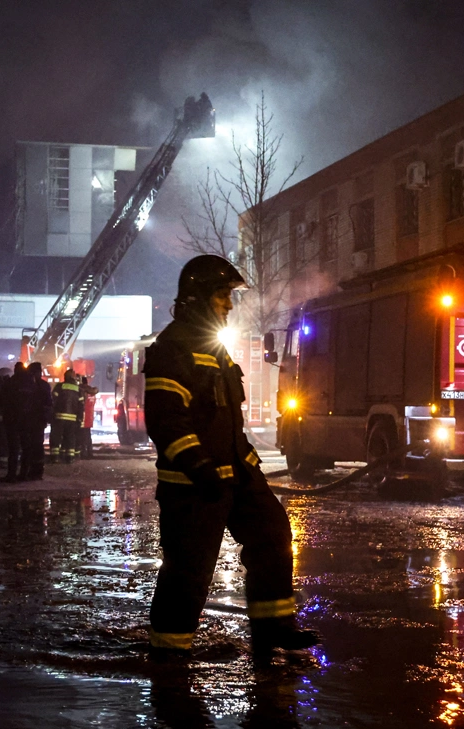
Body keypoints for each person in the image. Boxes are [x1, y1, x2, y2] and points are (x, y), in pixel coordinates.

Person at [144, 254, 319, 659]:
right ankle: (169, 655)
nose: (229, 303)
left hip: (237, 476)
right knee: (189, 569)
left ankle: (273, 628)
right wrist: (199, 467)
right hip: (193, 485)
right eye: (222, 295)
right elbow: (167, 421)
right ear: (198, 297)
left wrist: (248, 466)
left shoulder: (214, 348)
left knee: (272, 535)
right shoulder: (173, 348)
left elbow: (225, 421)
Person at [19, 362, 52, 481]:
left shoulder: (27, 384)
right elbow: (49, 404)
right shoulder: (44, 385)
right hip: (37, 420)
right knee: (36, 446)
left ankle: (29, 472)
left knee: (29, 446)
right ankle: (36, 472)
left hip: (31, 420)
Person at [0, 362, 25, 483]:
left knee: (13, 449)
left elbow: (1, 400)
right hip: (27, 420)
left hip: (12, 420)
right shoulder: (30, 384)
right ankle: (24, 473)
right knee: (26, 448)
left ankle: (11, 475)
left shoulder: (10, 383)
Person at [50, 371, 80, 463]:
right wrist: (80, 418)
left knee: (56, 437)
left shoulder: (59, 386)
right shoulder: (78, 389)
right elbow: (81, 405)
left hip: (59, 417)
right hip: (72, 418)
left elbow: (53, 400)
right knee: (70, 437)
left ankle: (55, 457)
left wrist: (52, 414)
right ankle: (69, 458)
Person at [79, 375, 98, 459]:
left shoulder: (83, 392)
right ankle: (90, 452)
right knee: (88, 435)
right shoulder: (92, 393)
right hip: (89, 418)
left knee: (82, 436)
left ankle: (83, 453)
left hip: (83, 417)